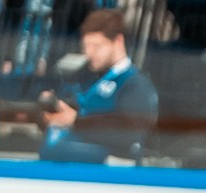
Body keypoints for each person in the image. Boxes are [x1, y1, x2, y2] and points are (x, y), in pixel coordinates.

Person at [38, 8, 156, 162]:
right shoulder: (87, 79)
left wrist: (75, 121)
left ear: (118, 41)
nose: (89, 53)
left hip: (107, 178)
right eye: (86, 46)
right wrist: (55, 112)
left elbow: (129, 132)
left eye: (97, 46)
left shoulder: (135, 84)